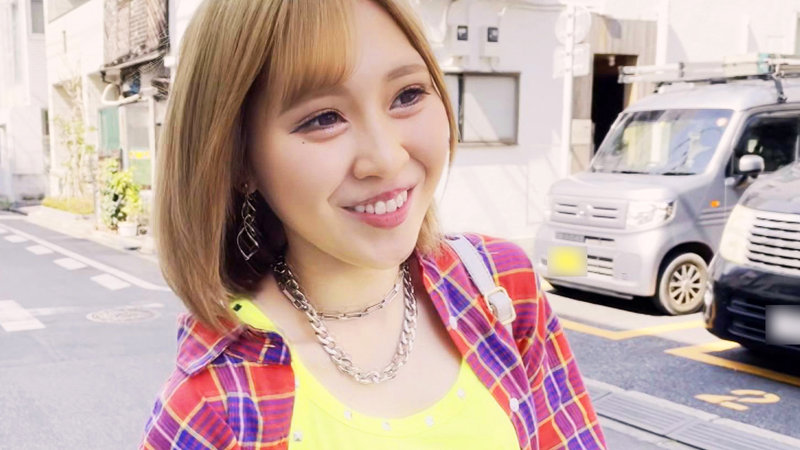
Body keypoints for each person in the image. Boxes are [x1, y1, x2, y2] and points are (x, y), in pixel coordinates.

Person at [140, 0, 606, 448]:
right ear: (239, 159)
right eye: (323, 119)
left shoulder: (499, 286)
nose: (386, 158)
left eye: (408, 95)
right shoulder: (212, 406)